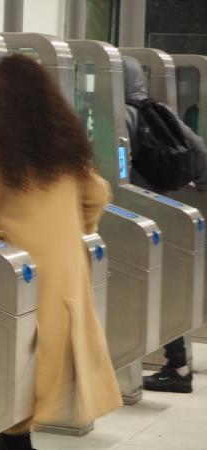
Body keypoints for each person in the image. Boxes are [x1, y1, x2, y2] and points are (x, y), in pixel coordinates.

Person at [0, 55, 122, 450]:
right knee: (19, 399)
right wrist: (77, 231)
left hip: (13, 281)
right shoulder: (63, 146)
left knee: (1, 396)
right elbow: (98, 193)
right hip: (61, 283)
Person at [123, 55, 207, 394]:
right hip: (165, 208)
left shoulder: (121, 116)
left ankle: (175, 365)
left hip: (131, 213)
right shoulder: (160, 111)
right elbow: (198, 149)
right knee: (167, 288)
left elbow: (114, 170)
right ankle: (179, 363)